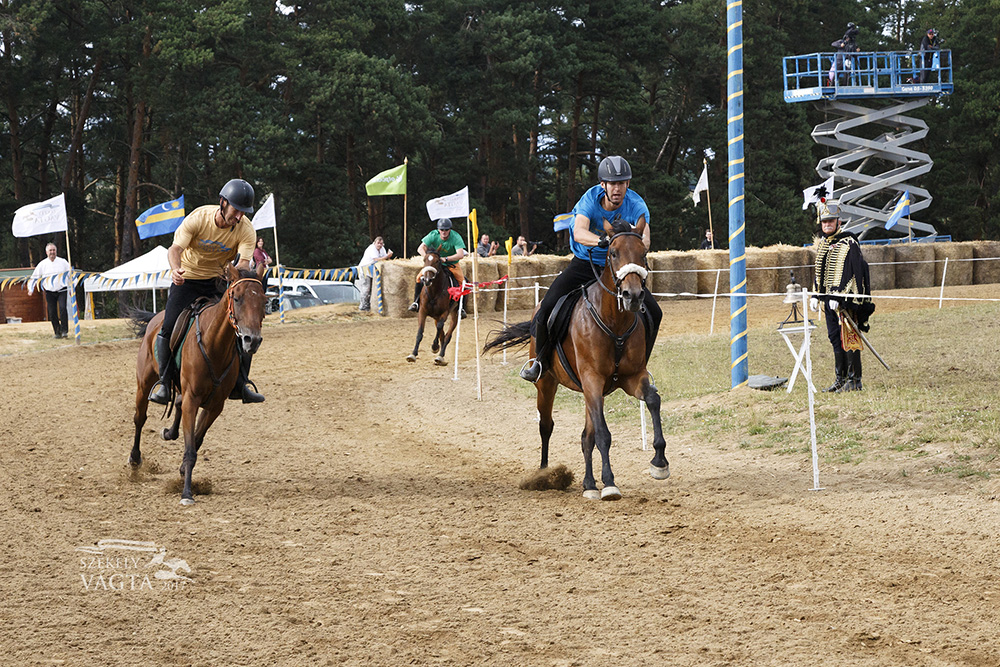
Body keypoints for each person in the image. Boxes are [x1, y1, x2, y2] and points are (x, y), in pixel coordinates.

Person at [519, 155, 662, 383]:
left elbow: (645, 239)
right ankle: (539, 362)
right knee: (546, 308)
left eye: (622, 183)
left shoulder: (637, 204)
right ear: (603, 185)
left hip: (619, 267)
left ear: (628, 185)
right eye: (612, 183)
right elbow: (578, 232)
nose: (617, 188)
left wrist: (630, 243)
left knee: (655, 312)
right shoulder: (589, 199)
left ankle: (640, 365)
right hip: (586, 262)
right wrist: (600, 241)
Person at [148, 178, 264, 405]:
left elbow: (243, 264)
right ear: (222, 203)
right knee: (169, 327)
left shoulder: (246, 229)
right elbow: (175, 249)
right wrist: (175, 270)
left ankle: (242, 384)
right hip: (188, 280)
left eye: (244, 212)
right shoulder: (198, 219)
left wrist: (240, 277)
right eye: (236, 210)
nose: (239, 216)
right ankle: (164, 383)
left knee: (240, 327)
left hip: (218, 282)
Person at [810, 199, 873, 392]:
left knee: (850, 337)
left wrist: (840, 297)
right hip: (828, 300)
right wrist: (816, 294)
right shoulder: (823, 244)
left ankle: (855, 381)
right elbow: (819, 271)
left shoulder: (849, 242)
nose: (827, 224)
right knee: (834, 337)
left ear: (839, 222)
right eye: (824, 222)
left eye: (831, 221)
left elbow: (855, 272)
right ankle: (841, 378)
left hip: (847, 301)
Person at [408, 218, 467, 312]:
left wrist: (446, 259)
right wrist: (429, 258)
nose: (444, 232)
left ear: (450, 230)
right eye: (442, 230)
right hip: (434, 264)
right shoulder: (433, 235)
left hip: (451, 264)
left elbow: (460, 254)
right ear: (438, 230)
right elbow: (420, 248)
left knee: (462, 282)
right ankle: (416, 302)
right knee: (419, 278)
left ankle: (461, 307)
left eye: (446, 230)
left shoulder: (456, 237)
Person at [27, 242, 71, 338]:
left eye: (53, 250)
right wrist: (30, 288)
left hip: (62, 289)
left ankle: (64, 331)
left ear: (56, 251)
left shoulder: (63, 262)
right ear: (46, 252)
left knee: (63, 308)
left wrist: (72, 287)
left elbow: (71, 275)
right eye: (50, 250)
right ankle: (57, 331)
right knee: (52, 311)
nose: (52, 252)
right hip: (50, 291)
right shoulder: (43, 264)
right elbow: (34, 276)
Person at [357, 236, 393, 311]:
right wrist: (387, 256)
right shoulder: (371, 248)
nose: (380, 245)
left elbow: (384, 259)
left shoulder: (382, 249)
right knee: (366, 289)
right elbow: (376, 259)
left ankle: (370, 306)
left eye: (381, 243)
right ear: (374, 243)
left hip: (373, 271)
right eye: (378, 243)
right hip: (365, 270)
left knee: (373, 289)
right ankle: (363, 307)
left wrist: (388, 256)